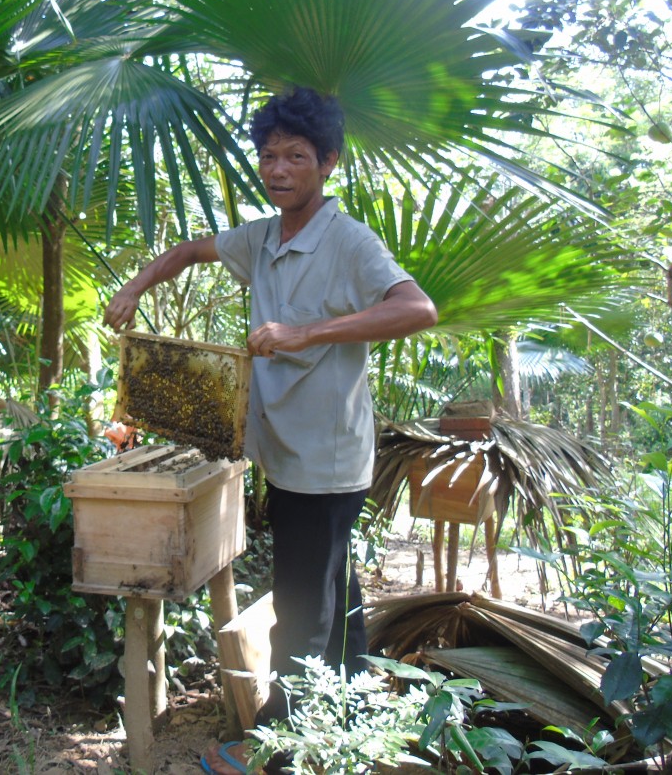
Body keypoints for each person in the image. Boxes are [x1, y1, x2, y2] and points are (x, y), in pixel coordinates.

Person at [102, 87, 438, 774]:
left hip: (327, 459)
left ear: (328, 163)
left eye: (295, 156)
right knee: (334, 596)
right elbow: (193, 249)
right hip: (282, 452)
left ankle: (279, 755)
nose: (278, 168)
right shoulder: (260, 237)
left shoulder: (348, 242)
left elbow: (418, 308)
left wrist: (306, 332)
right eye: (268, 155)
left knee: (300, 612)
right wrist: (136, 286)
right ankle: (345, 716)